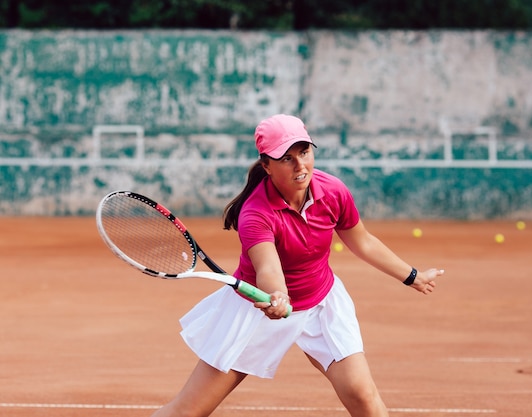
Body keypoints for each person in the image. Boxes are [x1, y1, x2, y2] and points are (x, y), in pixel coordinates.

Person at [151, 114, 445, 417]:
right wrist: (278, 295)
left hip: (321, 303)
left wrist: (412, 276)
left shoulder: (333, 191)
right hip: (255, 312)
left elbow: (363, 241)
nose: (300, 165)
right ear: (266, 165)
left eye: (304, 152)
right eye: (286, 158)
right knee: (188, 411)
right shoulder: (256, 214)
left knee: (364, 397)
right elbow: (268, 268)